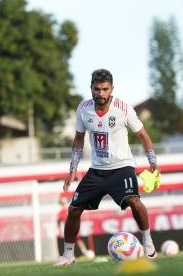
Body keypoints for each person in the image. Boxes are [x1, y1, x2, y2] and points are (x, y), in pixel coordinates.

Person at [54, 69, 159, 266]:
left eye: (105, 89)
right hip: (97, 170)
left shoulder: (123, 108)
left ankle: (148, 242)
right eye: (97, 89)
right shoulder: (83, 109)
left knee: (134, 201)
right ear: (91, 89)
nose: (101, 93)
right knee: (74, 209)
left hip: (122, 167)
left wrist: (152, 160)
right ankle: (68, 255)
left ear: (112, 89)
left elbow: (143, 135)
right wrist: (72, 170)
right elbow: (78, 140)